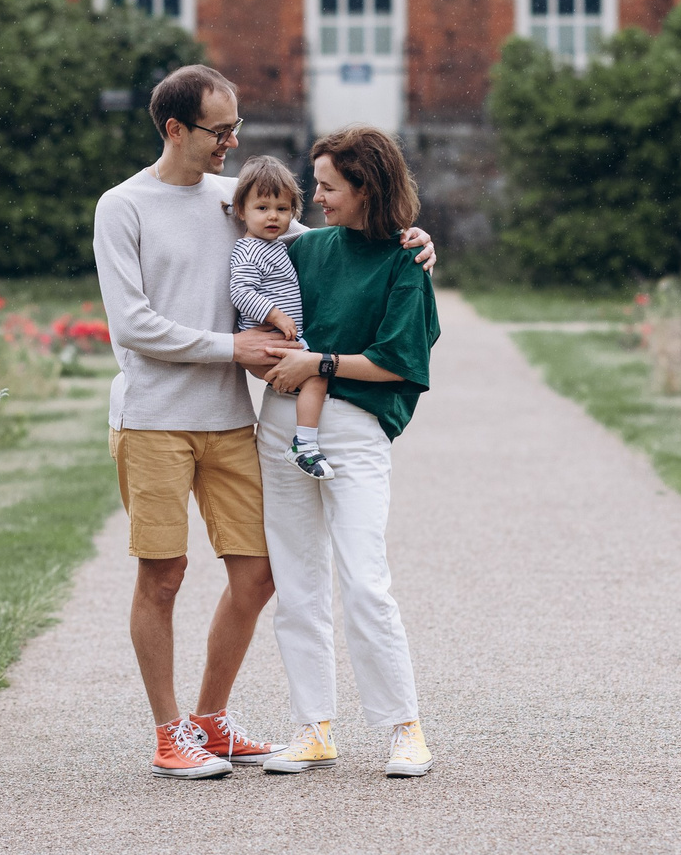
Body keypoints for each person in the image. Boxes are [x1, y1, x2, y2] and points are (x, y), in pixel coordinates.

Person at [92, 65, 435, 780]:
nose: (235, 141)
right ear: (176, 129)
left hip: (229, 422)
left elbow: (339, 236)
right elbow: (132, 325)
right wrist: (236, 347)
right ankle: (175, 733)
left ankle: (215, 721)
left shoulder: (235, 201)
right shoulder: (122, 206)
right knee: (167, 575)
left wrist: (415, 240)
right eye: (223, 130)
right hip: (156, 417)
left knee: (263, 577)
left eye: (237, 126)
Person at [251, 127, 441, 780]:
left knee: (365, 581)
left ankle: (403, 728)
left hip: (354, 432)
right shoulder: (304, 248)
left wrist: (321, 361)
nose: (317, 198)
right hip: (279, 430)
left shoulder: (403, 262)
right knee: (298, 586)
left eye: (330, 186)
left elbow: (400, 360)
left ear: (367, 188)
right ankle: (314, 728)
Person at [226, 156, 336, 481]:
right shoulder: (248, 250)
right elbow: (241, 293)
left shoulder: (276, 243)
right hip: (266, 339)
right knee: (316, 374)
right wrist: (275, 315)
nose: (273, 216)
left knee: (310, 379)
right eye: (262, 208)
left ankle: (302, 438)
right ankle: (304, 445)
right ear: (242, 210)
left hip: (281, 339)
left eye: (283, 209)